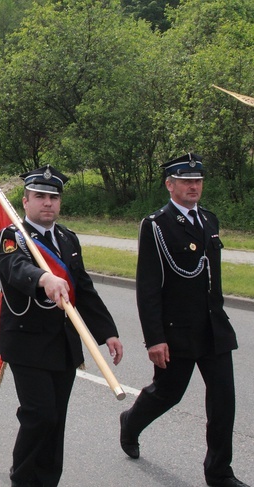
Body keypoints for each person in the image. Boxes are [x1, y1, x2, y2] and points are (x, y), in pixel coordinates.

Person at [119, 154, 246, 487]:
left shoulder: (209, 220)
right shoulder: (156, 225)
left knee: (223, 402)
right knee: (167, 393)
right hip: (177, 331)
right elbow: (147, 286)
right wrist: (155, 337)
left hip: (214, 329)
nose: (194, 186)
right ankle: (130, 423)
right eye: (186, 181)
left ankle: (219, 472)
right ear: (170, 184)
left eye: (198, 181)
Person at [0, 165, 123, 487]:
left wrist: (108, 332)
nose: (48, 203)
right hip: (26, 342)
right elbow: (14, 268)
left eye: (53, 197)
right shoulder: (12, 237)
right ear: (25, 201)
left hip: (63, 344)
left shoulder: (68, 238)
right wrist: (43, 278)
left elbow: (85, 289)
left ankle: (48, 479)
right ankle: (22, 479)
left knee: (57, 419)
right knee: (39, 414)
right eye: (40, 196)